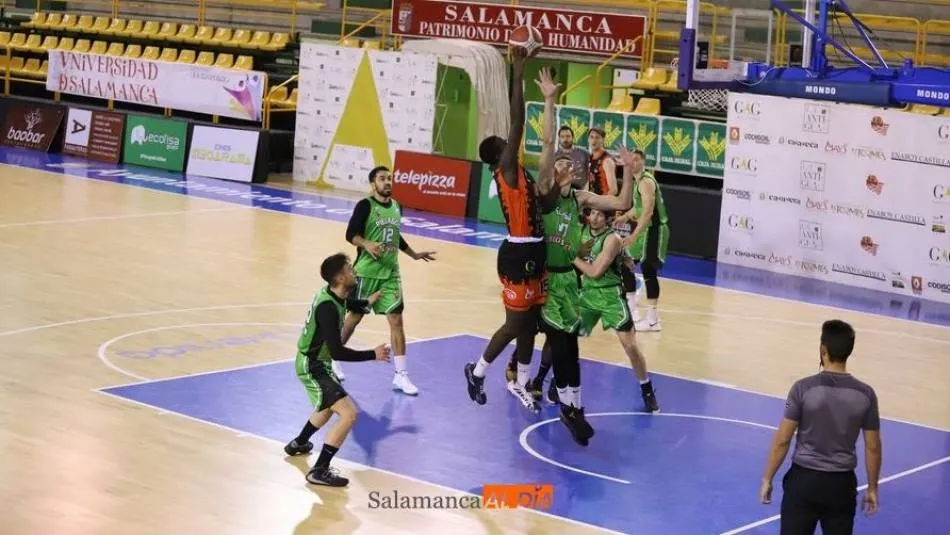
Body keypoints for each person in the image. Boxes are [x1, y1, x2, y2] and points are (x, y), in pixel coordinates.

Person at [464, 48, 556, 410]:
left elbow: (543, 207)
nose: (510, 141)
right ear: (498, 155)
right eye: (504, 144)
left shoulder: (521, 176)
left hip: (534, 248)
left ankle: (521, 381)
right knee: (516, 324)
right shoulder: (506, 170)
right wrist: (517, 70)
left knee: (531, 325)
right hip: (517, 254)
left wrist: (560, 187)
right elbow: (517, 122)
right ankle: (478, 371)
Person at [759, 320, 881, 535]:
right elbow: (873, 447)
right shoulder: (866, 395)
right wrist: (872, 488)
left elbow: (783, 440)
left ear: (823, 349)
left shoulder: (801, 389)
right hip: (841, 486)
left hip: (803, 483)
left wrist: (767, 478)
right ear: (849, 351)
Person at [284, 253, 392, 487]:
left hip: (318, 362)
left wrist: (367, 302)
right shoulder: (327, 309)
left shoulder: (334, 294)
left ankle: (299, 443)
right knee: (349, 414)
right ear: (341, 278)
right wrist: (373, 354)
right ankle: (319, 470)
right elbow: (337, 352)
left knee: (328, 407)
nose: (354, 272)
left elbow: (347, 304)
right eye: (350, 269)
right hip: (312, 365)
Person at [336, 166, 436, 396]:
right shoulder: (365, 205)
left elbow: (395, 236)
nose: (387, 182)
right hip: (366, 272)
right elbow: (350, 234)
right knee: (355, 317)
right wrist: (366, 244)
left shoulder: (397, 206)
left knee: (396, 320)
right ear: (373, 184)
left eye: (389, 178)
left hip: (390, 273)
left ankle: (401, 375)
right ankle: (332, 358)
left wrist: (414, 254)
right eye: (382, 179)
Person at [571, 208, 660, 413]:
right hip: (587, 294)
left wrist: (572, 256)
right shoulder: (581, 231)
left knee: (630, 347)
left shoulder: (612, 239)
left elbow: (594, 272)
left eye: (600, 215)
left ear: (608, 219)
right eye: (592, 213)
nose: (594, 218)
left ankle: (647, 390)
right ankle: (553, 382)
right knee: (564, 338)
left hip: (610, 296)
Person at [615, 150, 669, 331]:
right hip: (645, 230)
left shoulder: (646, 182)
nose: (633, 162)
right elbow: (638, 208)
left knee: (648, 269)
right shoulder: (638, 182)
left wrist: (633, 235)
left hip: (654, 230)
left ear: (643, 162)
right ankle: (632, 310)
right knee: (625, 263)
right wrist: (625, 217)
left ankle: (653, 320)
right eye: (631, 160)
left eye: (637, 159)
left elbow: (648, 212)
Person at [554, 125, 590, 190]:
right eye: (562, 137)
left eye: (568, 136)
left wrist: (586, 190)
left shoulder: (584, 153)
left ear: (573, 137)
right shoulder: (555, 156)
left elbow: (590, 173)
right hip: (562, 190)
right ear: (559, 138)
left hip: (581, 190)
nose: (565, 139)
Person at [586, 128, 618, 197]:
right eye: (591, 137)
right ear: (588, 139)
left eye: (597, 137)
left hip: (602, 201)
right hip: (590, 200)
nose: (594, 140)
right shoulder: (589, 158)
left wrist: (600, 203)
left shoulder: (607, 160)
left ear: (603, 140)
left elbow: (613, 190)